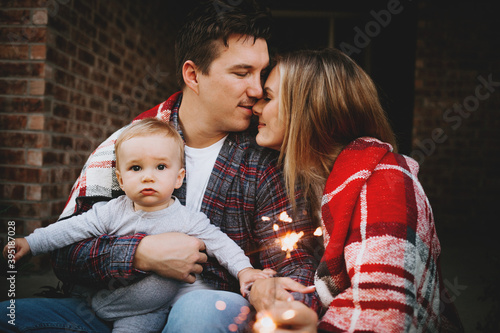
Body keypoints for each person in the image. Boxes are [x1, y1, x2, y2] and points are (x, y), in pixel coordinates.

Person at [0, 1, 320, 332]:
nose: (256, 90)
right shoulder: (125, 145)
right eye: (241, 73)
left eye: (261, 74)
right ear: (193, 75)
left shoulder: (265, 158)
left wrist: (281, 301)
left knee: (200, 311)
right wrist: (139, 254)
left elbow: (294, 260)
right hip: (115, 310)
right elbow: (66, 255)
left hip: (214, 310)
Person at [250, 48, 463, 332]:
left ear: (308, 107)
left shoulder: (386, 182)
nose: (256, 107)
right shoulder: (312, 184)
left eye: (268, 97)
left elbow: (385, 313)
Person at [3, 118, 276, 332]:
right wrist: (31, 242)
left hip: (148, 313)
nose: (148, 177)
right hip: (109, 300)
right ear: (121, 181)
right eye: (136, 168)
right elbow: (71, 230)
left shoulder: (186, 218)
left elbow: (220, 243)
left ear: (178, 178)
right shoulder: (111, 211)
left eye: (160, 167)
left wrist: (244, 271)